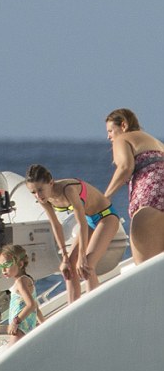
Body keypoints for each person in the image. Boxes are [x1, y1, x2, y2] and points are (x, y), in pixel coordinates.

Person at [25, 163, 120, 303]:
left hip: (106, 217)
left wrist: (82, 256)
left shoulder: (68, 190)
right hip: (89, 221)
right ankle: (73, 307)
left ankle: (94, 306)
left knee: (87, 265)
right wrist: (64, 256)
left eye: (40, 190)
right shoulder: (43, 199)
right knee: (68, 266)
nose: (38, 195)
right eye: (33, 192)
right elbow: (56, 225)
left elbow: (81, 223)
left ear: (51, 183)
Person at [105, 108, 164, 264]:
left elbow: (125, 167)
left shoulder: (123, 139)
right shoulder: (155, 142)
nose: (108, 136)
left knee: (146, 271)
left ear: (123, 125)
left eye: (111, 130)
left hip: (150, 202)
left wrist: (105, 197)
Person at [0, 244, 44, 344]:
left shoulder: (21, 282)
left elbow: (31, 305)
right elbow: (35, 307)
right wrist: (44, 325)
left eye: (7, 265)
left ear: (20, 264)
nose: (3, 270)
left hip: (20, 329)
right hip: (25, 328)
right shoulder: (25, 280)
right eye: (1, 266)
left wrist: (15, 322)